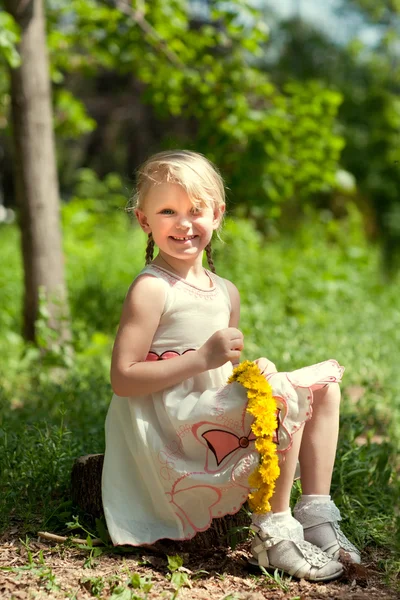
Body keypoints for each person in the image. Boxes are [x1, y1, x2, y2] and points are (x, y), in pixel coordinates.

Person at [102, 149, 360, 581]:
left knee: (323, 387)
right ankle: (272, 531)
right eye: (168, 211)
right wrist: (200, 358)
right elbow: (123, 379)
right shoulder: (151, 288)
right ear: (144, 221)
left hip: (208, 410)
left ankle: (315, 514)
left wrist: (247, 374)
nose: (184, 224)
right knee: (283, 392)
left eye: (196, 210)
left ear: (217, 215)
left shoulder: (226, 291)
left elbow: (221, 373)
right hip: (172, 422)